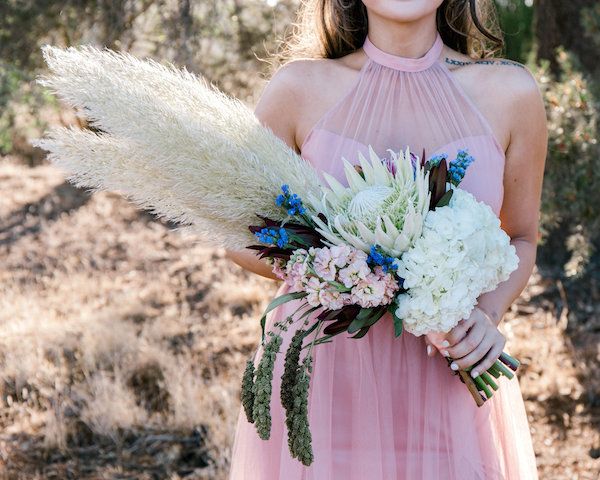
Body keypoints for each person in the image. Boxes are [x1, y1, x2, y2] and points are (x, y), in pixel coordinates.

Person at [226, 0, 546, 478]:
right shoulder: (299, 88)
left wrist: (487, 314)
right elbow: (237, 235)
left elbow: (520, 235)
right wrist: (348, 274)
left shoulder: (510, 92)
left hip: (448, 373)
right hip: (326, 380)